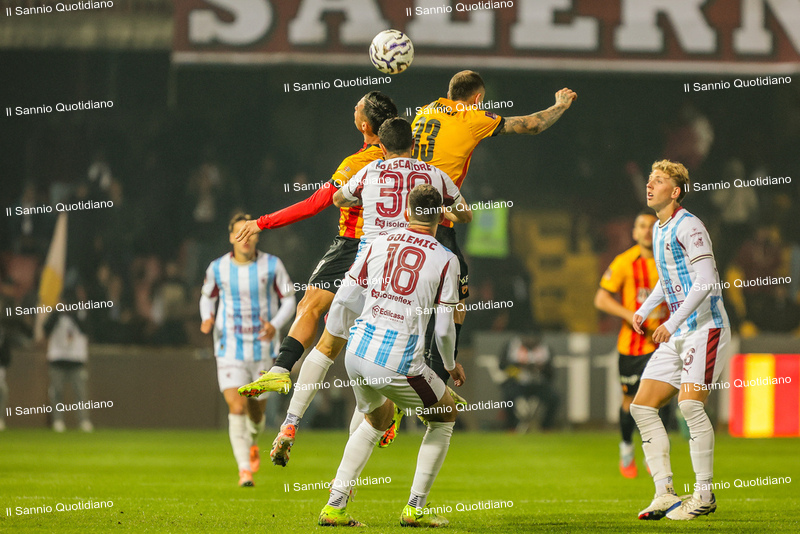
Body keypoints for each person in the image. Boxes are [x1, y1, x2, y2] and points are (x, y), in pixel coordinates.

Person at [240, 117, 471, 466]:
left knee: (327, 346)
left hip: (365, 269)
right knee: (389, 359)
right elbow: (465, 215)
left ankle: (290, 423)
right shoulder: (433, 175)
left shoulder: (369, 170)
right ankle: (409, 407)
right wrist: (440, 210)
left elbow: (337, 198)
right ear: (413, 145)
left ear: (381, 146)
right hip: (405, 278)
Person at [411, 70, 577, 387]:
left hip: (407, 216)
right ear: (477, 99)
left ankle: (410, 373)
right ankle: (435, 377)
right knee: (454, 298)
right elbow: (532, 124)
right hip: (436, 223)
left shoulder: (426, 111)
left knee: (412, 297)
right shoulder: (471, 116)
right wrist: (560, 105)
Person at [317, 184, 465, 527]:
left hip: (356, 353)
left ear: (407, 211)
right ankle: (415, 508)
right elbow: (444, 329)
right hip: (399, 363)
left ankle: (335, 506)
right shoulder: (447, 259)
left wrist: (334, 339)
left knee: (376, 419)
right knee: (445, 416)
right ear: (441, 217)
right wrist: (449, 365)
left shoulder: (378, 241)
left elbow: (346, 296)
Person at [233, 92, 397, 395]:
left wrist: (262, 222)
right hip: (396, 250)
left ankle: (280, 371)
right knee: (376, 327)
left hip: (354, 245)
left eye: (358, 106)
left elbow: (314, 204)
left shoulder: (358, 163)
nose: (354, 107)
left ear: (365, 125)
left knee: (310, 306)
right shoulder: (408, 162)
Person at [630, 160, 731, 521]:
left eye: (658, 180)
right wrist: (645, 308)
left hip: (706, 327)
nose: (649, 184)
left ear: (675, 192)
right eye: (649, 179)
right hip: (680, 331)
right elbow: (669, 276)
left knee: (690, 406)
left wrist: (671, 323)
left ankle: (703, 494)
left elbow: (706, 280)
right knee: (642, 407)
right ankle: (664, 493)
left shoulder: (690, 225)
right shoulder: (660, 228)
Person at [199, 212, 296, 487]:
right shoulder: (218, 267)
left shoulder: (272, 265)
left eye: (250, 232)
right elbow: (207, 296)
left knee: (256, 413)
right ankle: (244, 470)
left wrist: (275, 324)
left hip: (262, 349)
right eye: (239, 233)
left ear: (257, 236)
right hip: (229, 347)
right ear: (231, 237)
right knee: (236, 405)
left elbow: (290, 298)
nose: (245, 238)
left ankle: (252, 441)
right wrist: (207, 317)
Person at [594, 211, 668, 478]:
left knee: (661, 401)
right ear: (634, 233)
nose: (647, 231)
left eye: (652, 226)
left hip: (663, 345)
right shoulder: (624, 262)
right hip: (633, 346)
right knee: (630, 400)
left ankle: (653, 452)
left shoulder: (669, 261)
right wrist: (630, 315)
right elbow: (601, 299)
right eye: (642, 226)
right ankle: (626, 447)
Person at [44, 286, 94, 433]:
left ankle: (84, 420)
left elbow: (87, 330)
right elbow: (46, 328)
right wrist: (58, 313)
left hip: (76, 359)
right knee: (56, 392)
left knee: (80, 393)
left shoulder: (81, 312)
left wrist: (72, 314)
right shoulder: (56, 313)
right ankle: (58, 421)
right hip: (58, 358)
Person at [499, 334, 560, 431]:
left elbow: (551, 373)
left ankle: (546, 427)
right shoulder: (513, 347)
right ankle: (511, 427)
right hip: (518, 383)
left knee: (554, 398)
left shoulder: (544, 349)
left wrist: (541, 368)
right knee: (508, 397)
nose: (530, 340)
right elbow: (502, 366)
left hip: (539, 384)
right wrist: (519, 365)